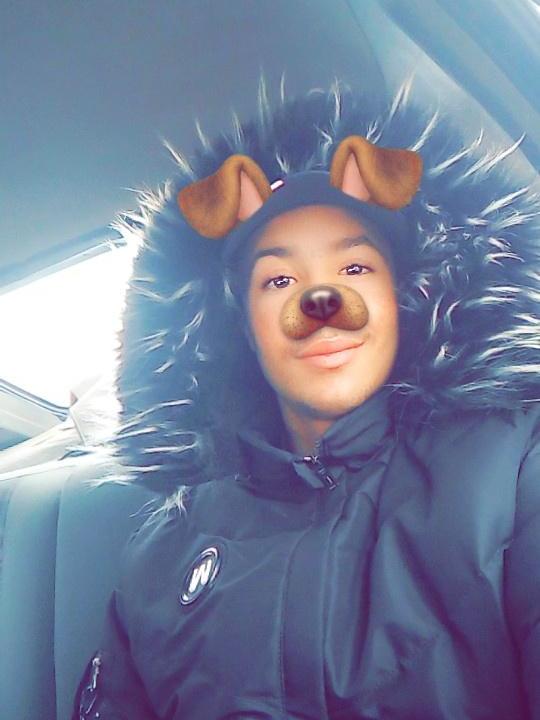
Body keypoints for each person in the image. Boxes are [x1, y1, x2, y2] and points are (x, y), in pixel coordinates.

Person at [73, 77, 540, 719]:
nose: (319, 300)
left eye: (355, 268)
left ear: (402, 299)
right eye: (279, 279)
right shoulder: (160, 555)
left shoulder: (514, 469)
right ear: (243, 328)